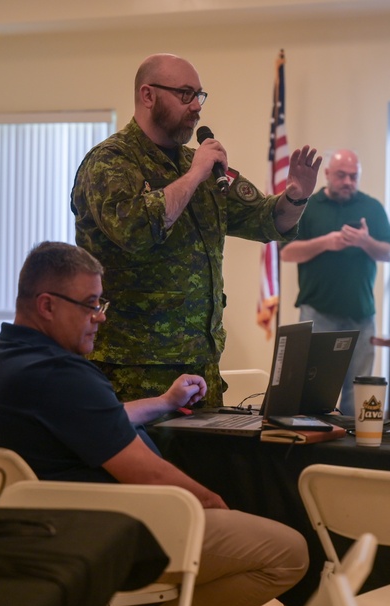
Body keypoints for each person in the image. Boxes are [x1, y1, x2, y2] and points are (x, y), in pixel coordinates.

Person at [0, 242, 308, 606]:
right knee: (289, 552)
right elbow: (149, 475)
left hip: (63, 531)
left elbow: (91, 420)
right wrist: (211, 502)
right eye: (91, 304)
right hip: (118, 534)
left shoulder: (5, 360)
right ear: (47, 305)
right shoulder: (60, 373)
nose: (101, 316)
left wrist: (164, 402)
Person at [72, 53, 321, 406]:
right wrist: (192, 176)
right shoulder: (112, 161)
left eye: (199, 96)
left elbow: (266, 221)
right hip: (131, 370)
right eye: (185, 94)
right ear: (148, 95)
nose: (196, 107)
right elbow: (135, 230)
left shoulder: (201, 166)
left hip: (200, 365)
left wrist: (296, 197)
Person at [279, 149, 390, 415]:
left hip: (362, 316)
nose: (348, 182)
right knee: (314, 386)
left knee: (358, 390)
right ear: (328, 174)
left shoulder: (371, 208)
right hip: (318, 312)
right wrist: (326, 243)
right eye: (341, 175)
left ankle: (353, 450)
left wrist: (364, 241)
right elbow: (286, 253)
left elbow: (389, 253)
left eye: (354, 177)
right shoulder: (308, 205)